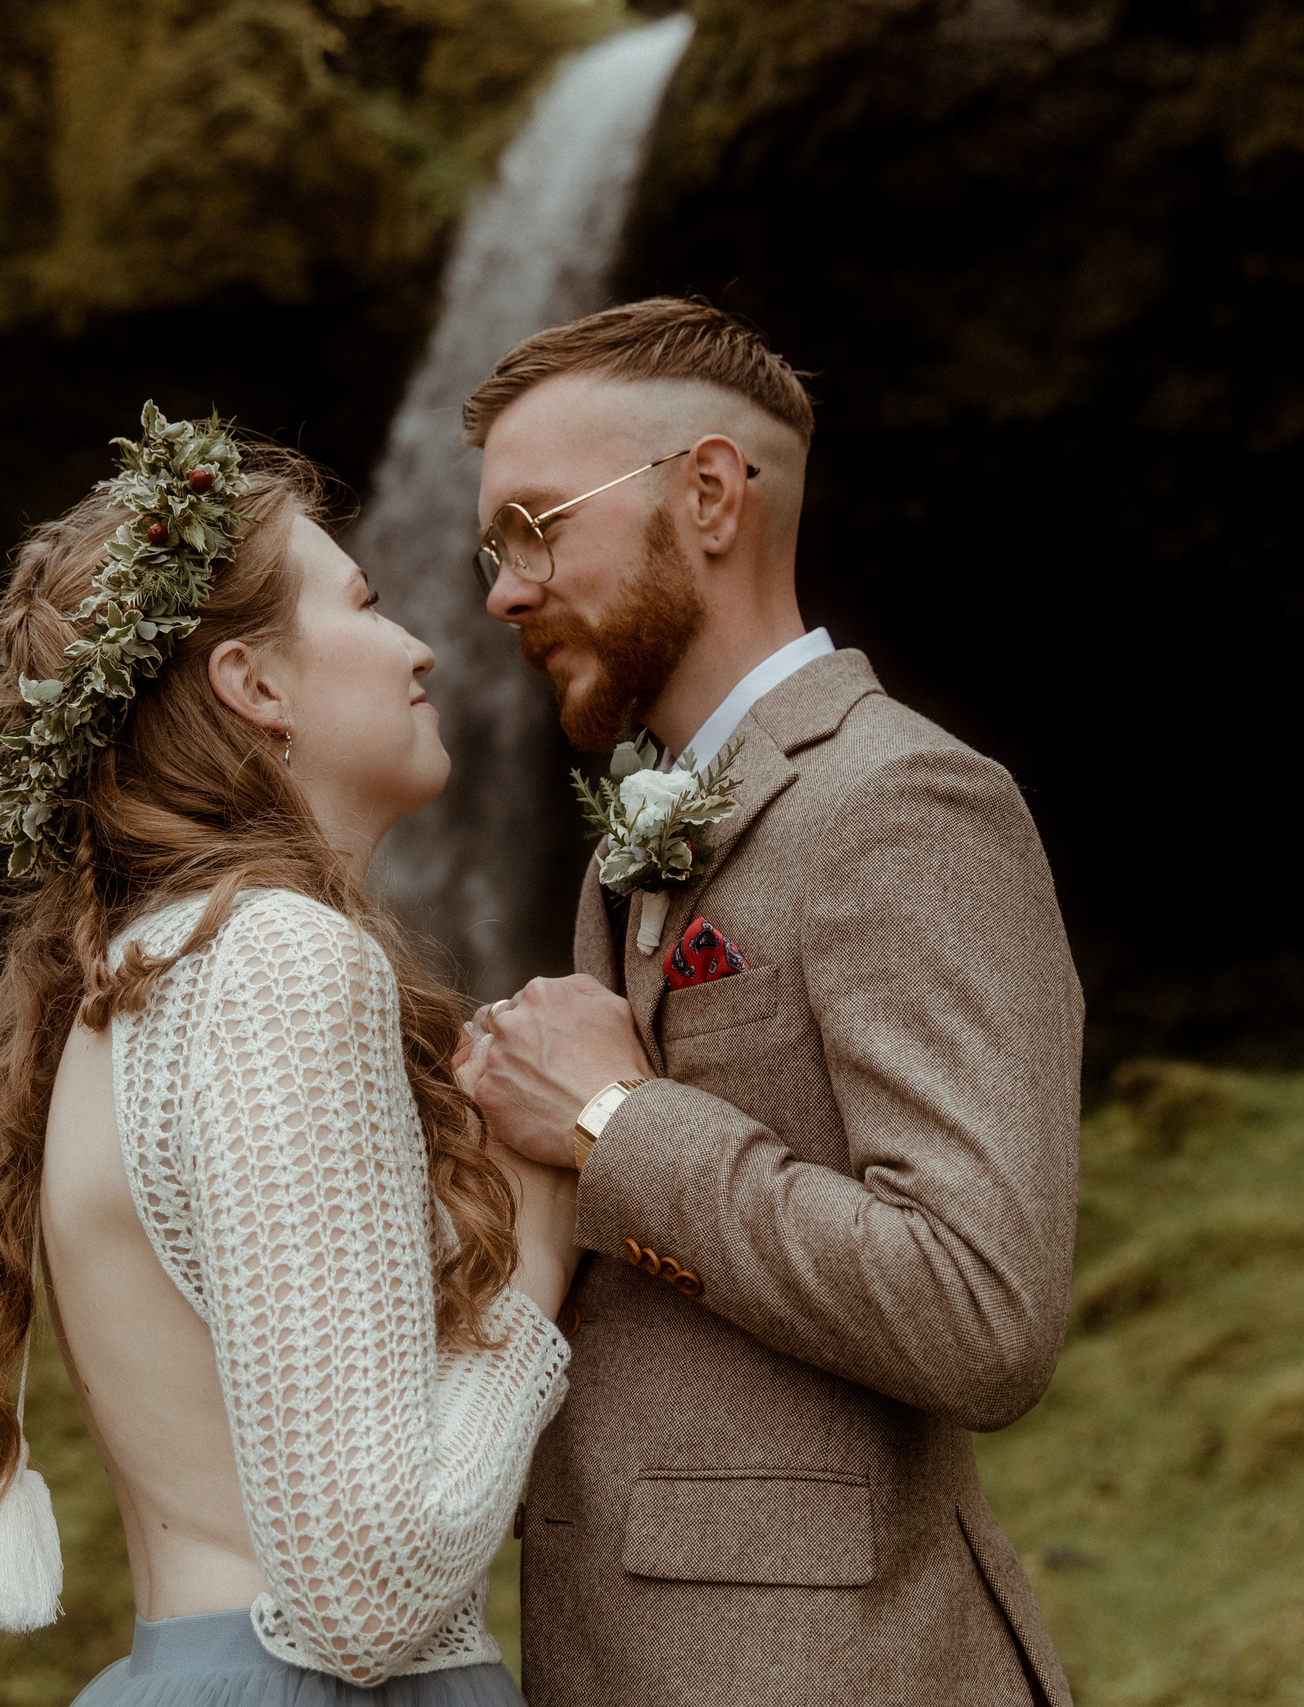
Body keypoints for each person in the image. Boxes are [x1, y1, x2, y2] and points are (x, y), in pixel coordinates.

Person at [0, 406, 582, 1704]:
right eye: (366, 604)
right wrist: (542, 1235)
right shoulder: (276, 961)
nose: (424, 647)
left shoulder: (139, 978)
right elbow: (368, 1600)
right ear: (255, 685)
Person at [455, 300, 1086, 1706]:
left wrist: (618, 1123)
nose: (503, 589)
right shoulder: (637, 824)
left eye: (539, 525)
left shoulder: (904, 803)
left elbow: (984, 1311)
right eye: (494, 547)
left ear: (710, 495)